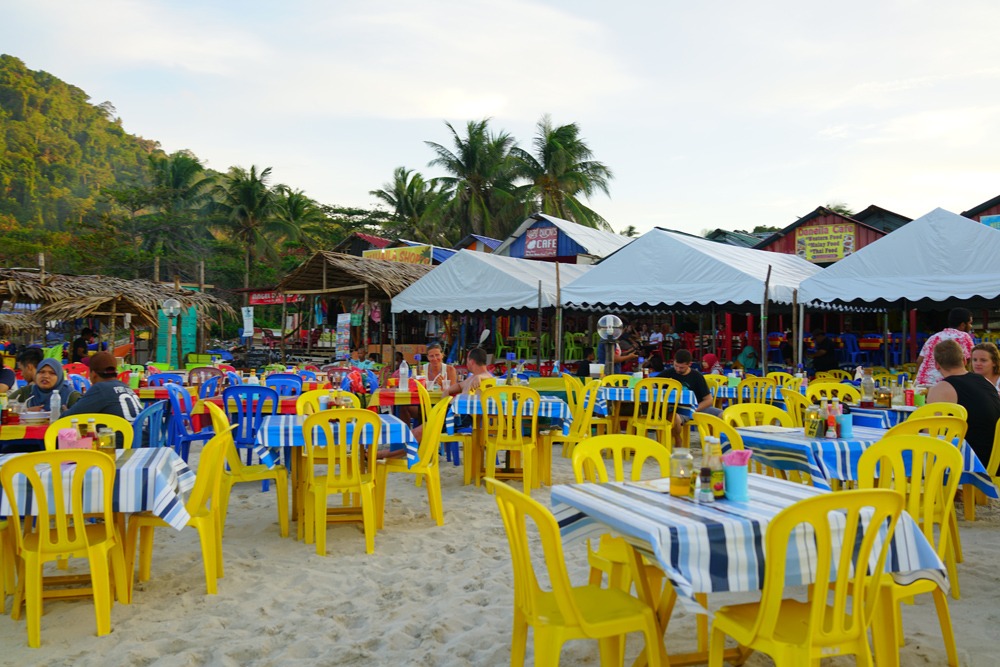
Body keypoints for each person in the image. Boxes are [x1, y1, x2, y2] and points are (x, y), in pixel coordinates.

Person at [926, 339, 1000, 469]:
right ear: (965, 361)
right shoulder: (986, 382)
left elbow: (931, 433)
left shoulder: (942, 388)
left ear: (937, 365)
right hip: (994, 460)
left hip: (970, 462)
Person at [657, 348, 723, 444]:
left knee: (724, 415)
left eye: (681, 368)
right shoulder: (668, 373)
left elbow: (709, 400)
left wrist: (694, 409)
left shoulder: (697, 376)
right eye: (676, 366)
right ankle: (678, 439)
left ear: (689, 364)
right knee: (673, 417)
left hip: (696, 407)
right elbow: (653, 384)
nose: (678, 369)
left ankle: (715, 441)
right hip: (676, 409)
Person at [62, 351, 142, 422]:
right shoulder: (125, 386)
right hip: (141, 433)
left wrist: (65, 411)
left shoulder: (100, 388)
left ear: (93, 374)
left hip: (123, 434)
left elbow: (68, 417)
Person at [915, 307, 976, 386]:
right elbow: (972, 361)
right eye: (970, 323)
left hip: (921, 384)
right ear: (963, 325)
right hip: (943, 385)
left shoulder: (934, 337)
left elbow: (919, 361)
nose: (971, 326)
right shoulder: (963, 336)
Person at [9, 357, 81, 411]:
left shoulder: (71, 395)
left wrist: (67, 414)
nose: (45, 376)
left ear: (59, 376)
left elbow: (82, 416)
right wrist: (26, 410)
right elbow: (5, 407)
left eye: (52, 373)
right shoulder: (27, 392)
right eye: (41, 372)